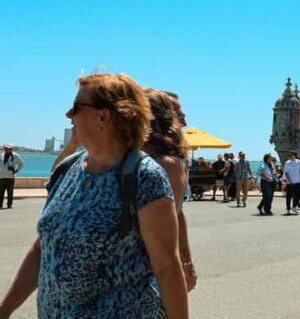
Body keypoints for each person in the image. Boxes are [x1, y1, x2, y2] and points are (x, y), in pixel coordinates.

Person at [0, 73, 188, 318]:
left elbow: (167, 268)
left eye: (77, 107)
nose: (69, 114)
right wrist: (5, 309)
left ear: (104, 116)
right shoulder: (66, 169)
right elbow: (42, 249)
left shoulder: (143, 176)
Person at [142, 89, 197, 293]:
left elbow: (177, 214)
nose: (183, 120)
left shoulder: (174, 162)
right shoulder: (163, 165)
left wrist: (187, 262)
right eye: (178, 113)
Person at [0, 144, 24, 209]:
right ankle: (0, 205)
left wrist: (16, 171)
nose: (6, 149)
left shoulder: (15, 156)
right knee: (0, 192)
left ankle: (9, 204)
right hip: (1, 176)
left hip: (10, 177)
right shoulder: (1, 155)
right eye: (5, 148)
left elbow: (21, 164)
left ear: (11, 149)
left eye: (7, 148)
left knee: (10, 192)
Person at [282, 150, 300, 215]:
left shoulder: (298, 162)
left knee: (298, 195)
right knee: (289, 196)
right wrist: (289, 181)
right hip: (290, 183)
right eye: (289, 155)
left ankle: (294, 207)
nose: (290, 156)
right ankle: (288, 209)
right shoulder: (287, 163)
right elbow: (286, 173)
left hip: (297, 181)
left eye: (291, 155)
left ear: (294, 155)